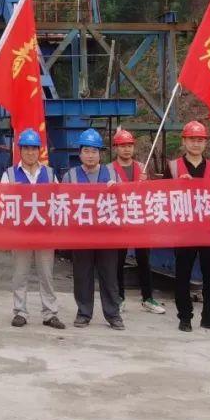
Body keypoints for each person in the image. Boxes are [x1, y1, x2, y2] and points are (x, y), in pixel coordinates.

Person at [0, 128, 65, 330]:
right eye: (26, 148)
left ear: (39, 150)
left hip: (45, 233)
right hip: (20, 234)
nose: (30, 152)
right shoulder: (9, 174)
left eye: (34, 148)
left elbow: (60, 200)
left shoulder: (50, 173)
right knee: (20, 274)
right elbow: (2, 202)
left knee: (46, 275)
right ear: (20, 150)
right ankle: (20, 312)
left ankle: (50, 313)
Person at [166, 120, 210, 333]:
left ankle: (209, 317)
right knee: (182, 275)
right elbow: (162, 197)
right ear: (184, 141)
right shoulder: (173, 167)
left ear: (205, 143)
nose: (196, 143)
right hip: (184, 231)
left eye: (200, 140)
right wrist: (177, 185)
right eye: (192, 139)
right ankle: (185, 317)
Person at [67, 128, 124, 330]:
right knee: (82, 275)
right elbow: (63, 203)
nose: (90, 155)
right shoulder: (70, 176)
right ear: (80, 153)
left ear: (100, 153)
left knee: (109, 276)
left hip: (107, 236)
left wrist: (117, 189)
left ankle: (113, 314)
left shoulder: (112, 174)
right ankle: (84, 313)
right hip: (81, 236)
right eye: (86, 151)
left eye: (94, 151)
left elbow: (125, 201)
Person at [104, 128, 165, 315]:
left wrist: (147, 182)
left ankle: (148, 298)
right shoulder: (108, 169)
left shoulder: (142, 167)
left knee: (144, 260)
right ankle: (119, 297)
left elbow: (152, 192)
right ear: (116, 148)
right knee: (118, 261)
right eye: (122, 146)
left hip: (140, 219)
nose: (126, 149)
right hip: (119, 220)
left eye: (129, 145)